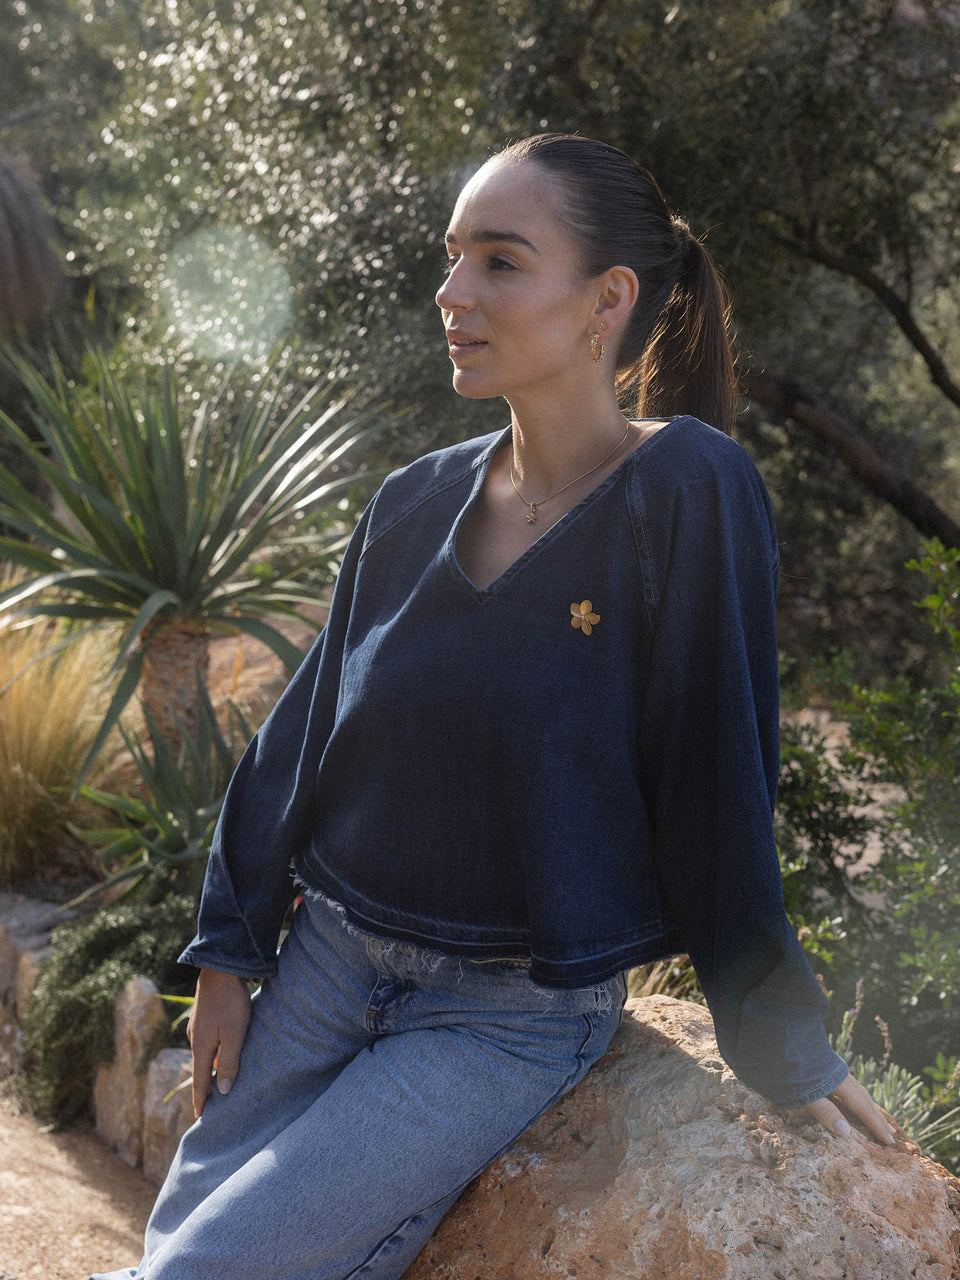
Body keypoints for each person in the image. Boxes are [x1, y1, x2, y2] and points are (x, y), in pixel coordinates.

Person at [91, 133, 896, 1280]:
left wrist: (782, 1039)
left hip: (501, 1016)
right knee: (175, 1249)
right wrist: (230, 952)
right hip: (323, 966)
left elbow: (718, 775)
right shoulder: (413, 499)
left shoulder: (688, 486)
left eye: (501, 261)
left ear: (607, 300)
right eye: (453, 255)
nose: (453, 291)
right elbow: (303, 734)